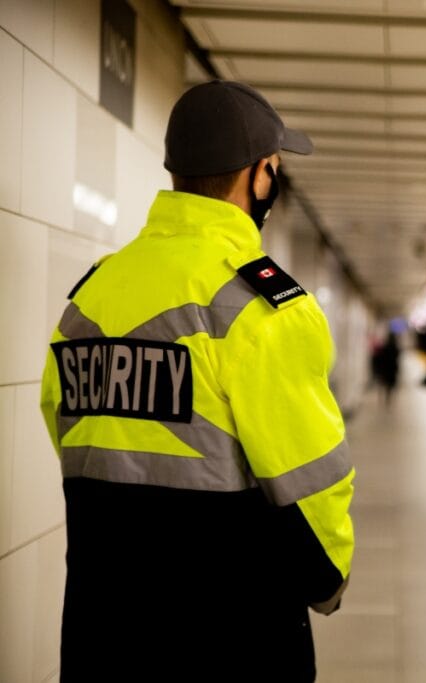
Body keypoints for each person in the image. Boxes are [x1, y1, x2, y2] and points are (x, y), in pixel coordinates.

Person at [40, 80, 355, 682]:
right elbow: (311, 479)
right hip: (231, 638)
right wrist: (327, 579)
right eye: (275, 169)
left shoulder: (92, 294)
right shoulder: (259, 309)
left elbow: (64, 429)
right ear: (259, 177)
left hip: (98, 633)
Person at [372, 330, 401, 407]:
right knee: (390, 384)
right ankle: (388, 397)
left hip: (385, 368)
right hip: (392, 368)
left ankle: (382, 397)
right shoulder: (396, 347)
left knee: (383, 383)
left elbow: (381, 358)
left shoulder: (385, 347)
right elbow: (397, 358)